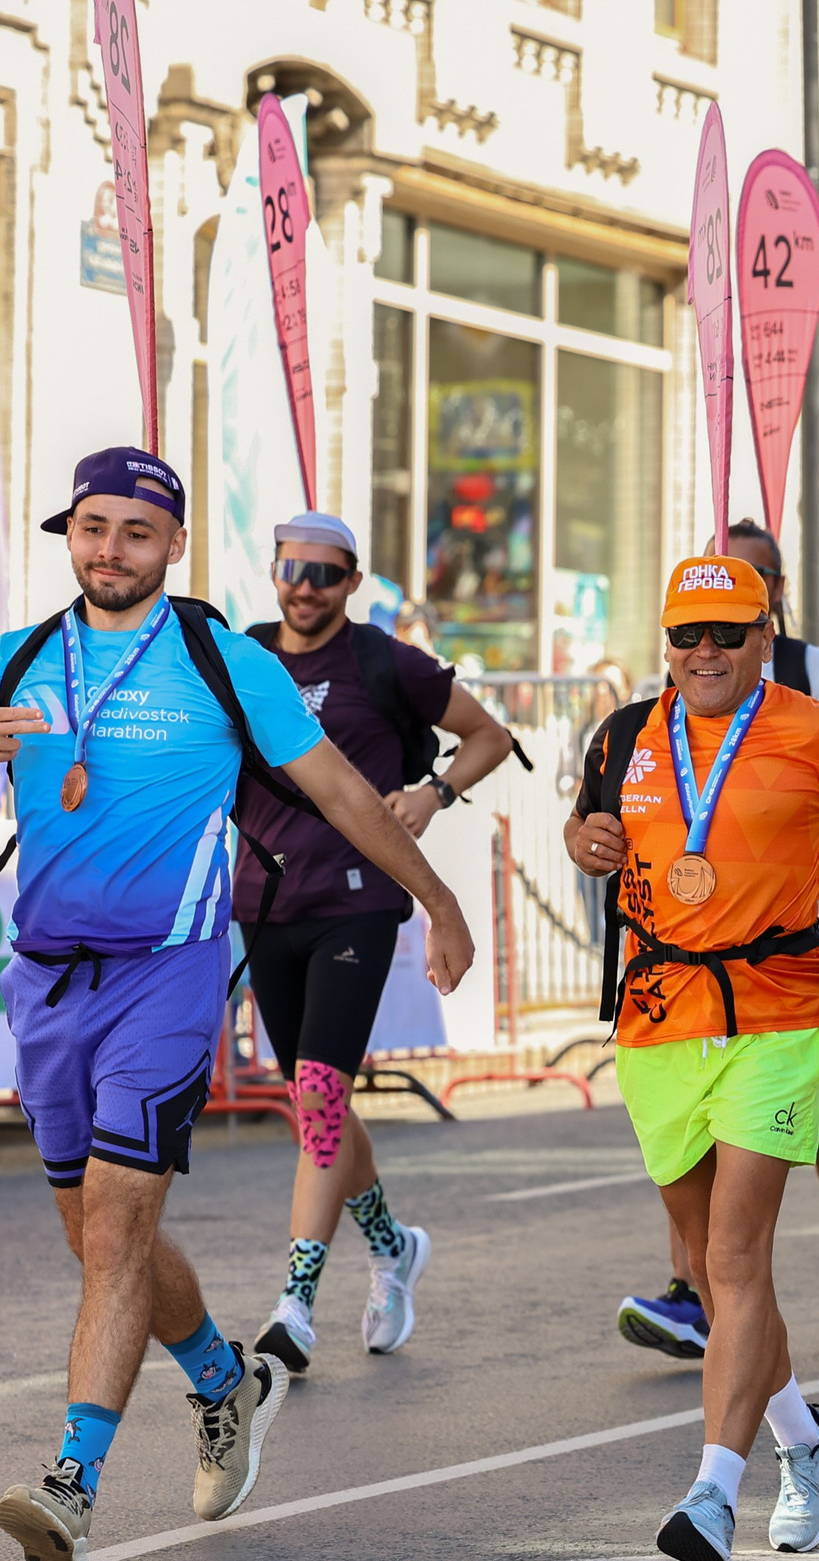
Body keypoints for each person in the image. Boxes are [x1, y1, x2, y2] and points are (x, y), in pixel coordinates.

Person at [0, 448, 474, 1561]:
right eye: (92, 526)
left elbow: (345, 792)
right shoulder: (17, 658)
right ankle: (225, 1380)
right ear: (71, 534)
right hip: (49, 981)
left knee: (115, 1224)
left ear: (174, 546)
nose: (111, 548)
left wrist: (437, 899)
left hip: (169, 972)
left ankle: (72, 1480)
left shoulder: (217, 659)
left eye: (135, 531)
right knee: (96, 1233)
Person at [566, 555, 819, 1561]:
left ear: (766, 636)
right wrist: (583, 837)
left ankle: (712, 1493)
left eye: (728, 632)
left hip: (780, 1011)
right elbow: (591, 826)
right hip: (658, 1017)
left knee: (736, 1256)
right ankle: (807, 1439)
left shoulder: (818, 732)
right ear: (666, 644)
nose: (706, 652)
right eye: (688, 634)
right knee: (711, 1274)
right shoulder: (625, 734)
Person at [240, 512, 514, 1375]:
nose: (305, 586)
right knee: (316, 1105)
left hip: (358, 900)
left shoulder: (381, 660)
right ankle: (393, 1249)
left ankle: (295, 1303)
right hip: (265, 900)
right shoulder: (243, 655)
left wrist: (433, 792)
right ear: (275, 570)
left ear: (353, 582)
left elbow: (491, 735)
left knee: (320, 1096)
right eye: (293, 568)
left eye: (325, 573)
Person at [614, 519, 819, 1356]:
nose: (705, 643)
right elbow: (624, 803)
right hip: (677, 965)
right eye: (687, 629)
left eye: (749, 587)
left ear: (772, 608)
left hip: (802, 934)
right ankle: (696, 1286)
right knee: (699, 1153)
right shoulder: (661, 697)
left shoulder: (818, 682)